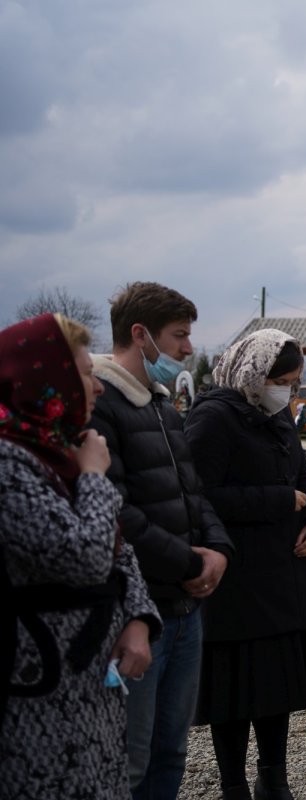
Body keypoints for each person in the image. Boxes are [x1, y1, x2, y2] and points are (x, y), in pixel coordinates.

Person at [1, 313, 159, 800]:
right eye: (86, 373)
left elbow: (118, 551)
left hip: (92, 686)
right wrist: (93, 476)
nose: (99, 386)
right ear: (48, 381)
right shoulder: (11, 462)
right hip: (42, 694)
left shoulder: (62, 450)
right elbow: (84, 558)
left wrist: (137, 616)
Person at [89, 281, 234, 798]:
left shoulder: (162, 407)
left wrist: (218, 549)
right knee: (131, 757)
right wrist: (189, 564)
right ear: (140, 335)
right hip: (140, 612)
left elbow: (195, 495)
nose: (188, 350)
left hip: (185, 609)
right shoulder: (103, 406)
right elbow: (115, 511)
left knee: (171, 749)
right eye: (179, 336)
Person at [183, 330, 306, 799]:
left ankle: (274, 776)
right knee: (233, 694)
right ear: (253, 373)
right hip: (238, 580)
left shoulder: (276, 414)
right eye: (281, 380)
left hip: (284, 572)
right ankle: (233, 785)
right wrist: (278, 500)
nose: (287, 389)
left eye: (293, 381)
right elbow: (199, 496)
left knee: (276, 689)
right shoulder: (214, 418)